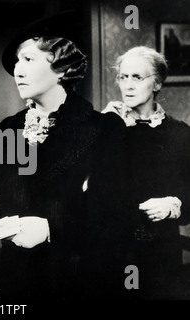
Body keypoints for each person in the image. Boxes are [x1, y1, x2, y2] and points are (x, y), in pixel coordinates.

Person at [0, 11, 123, 300]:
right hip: (19, 275)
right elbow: (7, 199)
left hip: (79, 274)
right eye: (17, 62)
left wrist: (51, 229)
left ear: (61, 68)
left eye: (29, 59)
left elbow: (113, 212)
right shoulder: (10, 128)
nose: (17, 71)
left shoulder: (103, 128)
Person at [86, 46, 190, 299]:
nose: (128, 85)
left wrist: (174, 203)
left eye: (137, 77)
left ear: (156, 84)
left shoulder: (180, 133)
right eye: (123, 77)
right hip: (110, 251)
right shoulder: (100, 128)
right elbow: (86, 190)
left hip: (161, 255)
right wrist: (108, 128)